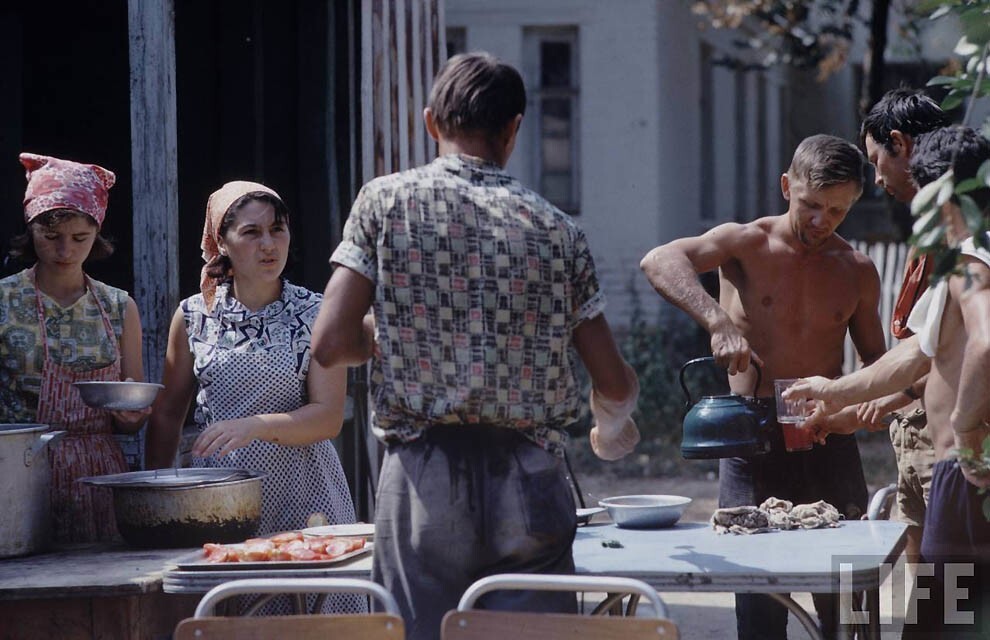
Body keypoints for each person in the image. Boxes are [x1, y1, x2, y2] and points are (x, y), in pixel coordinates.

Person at [310, 52, 641, 640]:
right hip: (532, 478)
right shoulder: (558, 229)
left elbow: (330, 344)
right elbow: (613, 384)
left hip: (421, 483)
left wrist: (389, 338)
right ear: (514, 129)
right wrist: (613, 420)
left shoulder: (387, 203)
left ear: (431, 121)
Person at [640, 134, 887, 639]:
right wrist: (717, 321)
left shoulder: (856, 270)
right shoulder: (745, 243)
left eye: (837, 211)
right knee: (758, 598)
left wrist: (857, 408)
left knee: (845, 601)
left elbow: (877, 365)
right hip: (749, 435)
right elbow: (659, 260)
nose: (822, 221)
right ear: (785, 186)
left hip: (825, 438)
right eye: (811, 205)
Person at [785, 126, 990, 638]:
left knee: (943, 625)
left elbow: (986, 342)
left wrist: (965, 427)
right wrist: (834, 392)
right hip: (962, 474)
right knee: (957, 620)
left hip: (965, 472)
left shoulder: (969, 259)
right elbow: (915, 358)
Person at [144, 181, 358, 545]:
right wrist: (155, 505)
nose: (269, 244)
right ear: (221, 242)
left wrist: (255, 426)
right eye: (251, 232)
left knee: (306, 597)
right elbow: (166, 416)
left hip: (305, 494)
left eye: (277, 229)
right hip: (218, 500)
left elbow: (328, 416)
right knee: (231, 595)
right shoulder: (195, 316)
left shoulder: (315, 313)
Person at [0, 153, 148, 543]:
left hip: (99, 474)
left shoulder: (118, 306)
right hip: (21, 471)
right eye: (51, 237)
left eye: (79, 238)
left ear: (96, 235)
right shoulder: (4, 300)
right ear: (31, 230)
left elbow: (134, 401)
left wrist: (133, 416)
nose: (65, 250)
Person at [861, 88, 949, 565]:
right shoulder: (928, 227)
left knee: (952, 595)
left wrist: (859, 398)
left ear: (902, 144)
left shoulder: (962, 236)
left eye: (878, 160)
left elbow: (942, 351)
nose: (877, 178)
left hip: (948, 438)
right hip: (912, 438)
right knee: (922, 596)